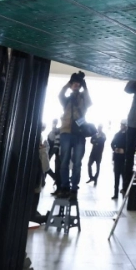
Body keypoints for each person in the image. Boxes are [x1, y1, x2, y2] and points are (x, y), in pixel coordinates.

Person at [55, 72, 92, 200]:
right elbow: (60, 95)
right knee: (64, 161)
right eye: (74, 83)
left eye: (78, 83)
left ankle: (74, 188)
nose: (76, 85)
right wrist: (68, 84)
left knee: (77, 163)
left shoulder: (83, 98)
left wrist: (85, 87)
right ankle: (65, 187)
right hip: (66, 131)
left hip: (79, 134)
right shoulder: (67, 99)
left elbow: (89, 102)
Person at [110, 120, 128, 200]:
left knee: (124, 177)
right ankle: (115, 194)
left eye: (122, 125)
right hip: (117, 158)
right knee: (116, 176)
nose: (121, 126)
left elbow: (130, 146)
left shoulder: (128, 135)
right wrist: (115, 149)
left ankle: (124, 193)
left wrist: (124, 150)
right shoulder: (117, 134)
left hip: (124, 159)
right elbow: (112, 143)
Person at [45, 119, 61, 190]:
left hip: (55, 149)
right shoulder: (55, 130)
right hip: (55, 149)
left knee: (47, 164)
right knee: (47, 164)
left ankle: (55, 179)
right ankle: (55, 178)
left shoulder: (57, 130)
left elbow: (52, 139)